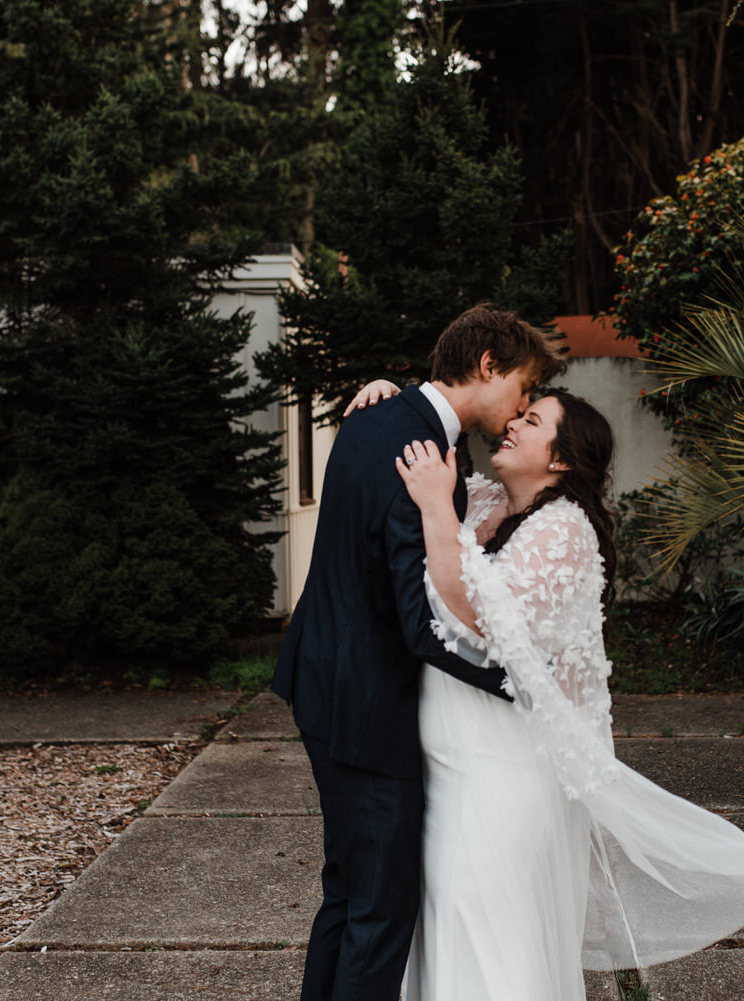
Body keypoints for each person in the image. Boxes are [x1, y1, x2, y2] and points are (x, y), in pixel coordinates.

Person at [367, 384, 744, 1000]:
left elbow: (479, 616)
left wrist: (435, 511)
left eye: (531, 422)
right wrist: (389, 394)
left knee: (488, 934)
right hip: (450, 771)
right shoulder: (487, 503)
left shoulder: (564, 530)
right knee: (448, 928)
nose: (512, 425)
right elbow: (413, 458)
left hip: (500, 778)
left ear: (561, 459)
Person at [271, 306, 566, 1001]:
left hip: (323, 682)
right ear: (488, 364)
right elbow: (420, 623)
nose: (522, 406)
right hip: (368, 710)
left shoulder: (381, 417)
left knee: (347, 895)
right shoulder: (418, 453)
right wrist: (523, 683)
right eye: (522, 387)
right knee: (380, 912)